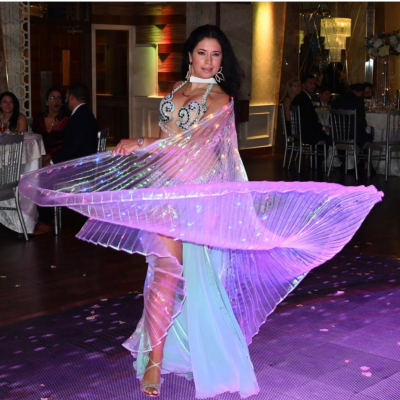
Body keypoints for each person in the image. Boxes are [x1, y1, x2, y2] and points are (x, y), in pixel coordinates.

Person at [19, 25, 383, 399]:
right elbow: (167, 139)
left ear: (222, 60)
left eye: (216, 54)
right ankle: (155, 359)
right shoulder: (176, 89)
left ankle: (176, 352)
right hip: (161, 191)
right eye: (202, 53)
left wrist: (140, 141)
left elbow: (188, 145)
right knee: (163, 273)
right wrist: (143, 152)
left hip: (194, 199)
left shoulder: (221, 100)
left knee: (183, 277)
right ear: (190, 55)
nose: (209, 61)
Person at [31, 87, 70, 235]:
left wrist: (49, 157)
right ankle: (29, 217)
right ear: (47, 101)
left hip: (58, 158)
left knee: (43, 177)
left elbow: (67, 145)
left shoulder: (67, 120)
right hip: (40, 156)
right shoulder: (38, 118)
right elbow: (34, 139)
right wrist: (40, 157)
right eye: (52, 98)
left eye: (59, 98)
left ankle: (46, 220)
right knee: (29, 174)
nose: (56, 101)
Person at [45, 83, 98, 166]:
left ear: (71, 97)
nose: (65, 100)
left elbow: (72, 148)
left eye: (66, 97)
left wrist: (52, 162)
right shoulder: (86, 113)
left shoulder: (79, 117)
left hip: (79, 165)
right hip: (85, 161)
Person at [332, 83, 374, 148]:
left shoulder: (336, 101)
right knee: (370, 136)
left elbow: (331, 121)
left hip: (336, 136)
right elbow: (362, 124)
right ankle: (362, 154)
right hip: (354, 137)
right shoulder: (358, 102)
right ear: (360, 92)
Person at [291, 73, 329, 145]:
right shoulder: (304, 99)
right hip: (307, 134)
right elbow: (310, 120)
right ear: (303, 85)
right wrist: (323, 127)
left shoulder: (299, 97)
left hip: (299, 133)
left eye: (314, 83)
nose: (313, 86)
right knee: (331, 135)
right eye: (310, 83)